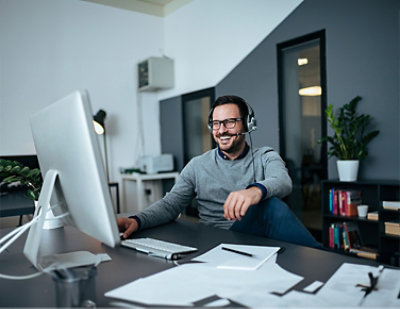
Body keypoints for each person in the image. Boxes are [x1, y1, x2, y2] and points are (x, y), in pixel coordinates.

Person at [118, 95, 320, 248]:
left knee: (270, 206)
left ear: (248, 124)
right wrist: (137, 220)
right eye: (216, 123)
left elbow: (283, 181)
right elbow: (170, 205)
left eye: (230, 122)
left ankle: (324, 259)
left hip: (255, 239)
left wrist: (255, 191)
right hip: (215, 242)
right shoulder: (197, 165)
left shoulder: (265, 156)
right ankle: (327, 259)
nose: (222, 130)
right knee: (271, 207)